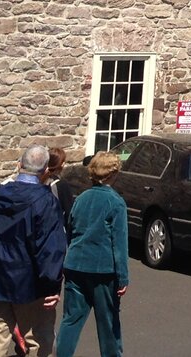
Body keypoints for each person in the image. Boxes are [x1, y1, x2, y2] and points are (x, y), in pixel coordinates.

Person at [0, 143, 68, 357]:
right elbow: (51, 247)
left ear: (19, 165)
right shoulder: (46, 201)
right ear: (44, 172)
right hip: (31, 284)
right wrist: (52, 285)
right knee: (37, 342)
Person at [55, 151, 128, 357]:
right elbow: (119, 244)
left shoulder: (81, 199)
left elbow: (70, 229)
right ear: (113, 173)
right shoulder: (116, 202)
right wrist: (122, 277)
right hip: (103, 270)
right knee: (108, 324)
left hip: (75, 265)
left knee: (71, 320)